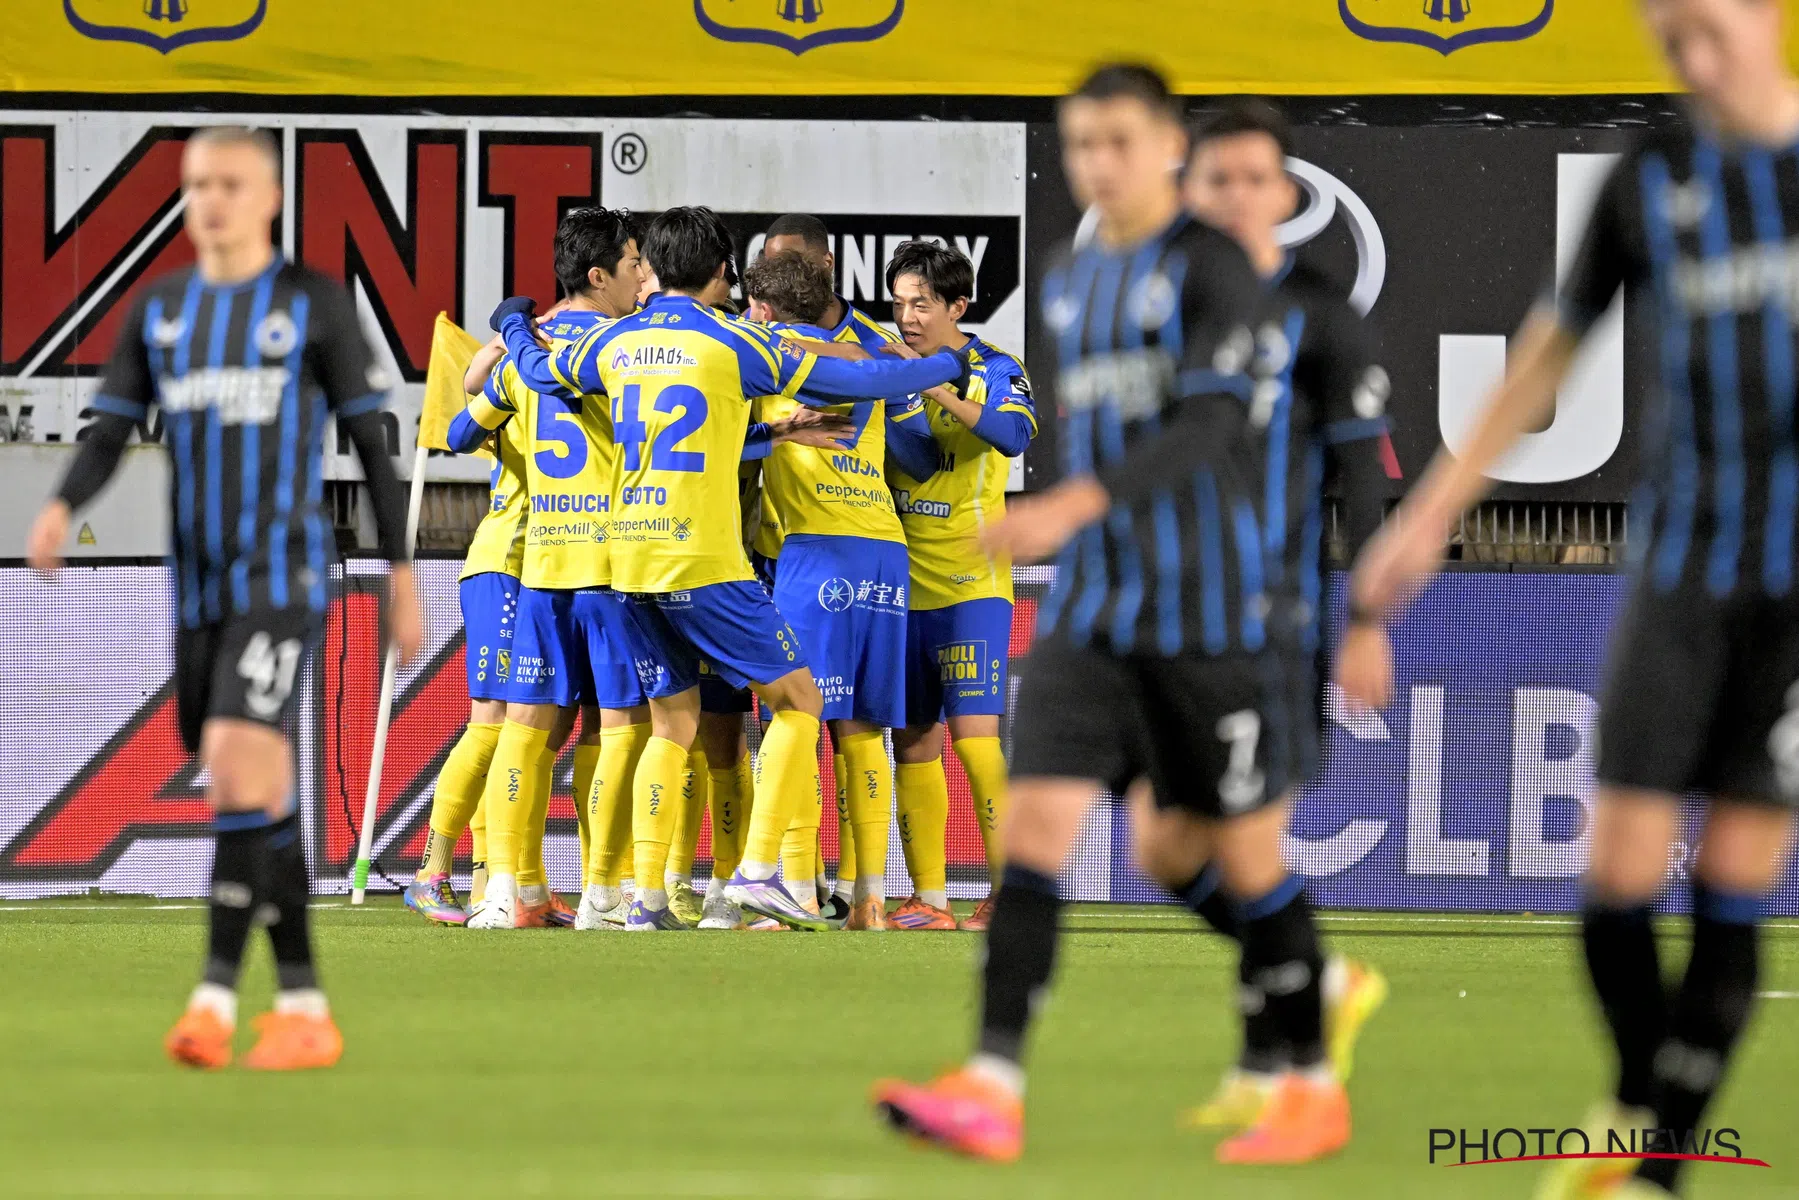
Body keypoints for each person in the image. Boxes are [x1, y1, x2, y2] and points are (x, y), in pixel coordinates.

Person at [1350, 2, 1799, 1195]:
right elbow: (1545, 357)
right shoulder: (1653, 178)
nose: (1687, 56)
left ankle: (1653, 1164)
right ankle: (1647, 1103)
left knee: (1735, 878)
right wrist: (1432, 512)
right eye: (1667, 38)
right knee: (1612, 879)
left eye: (1705, 29)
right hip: (1675, 573)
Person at [871, 63, 1350, 1165]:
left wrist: (1073, 505)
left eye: (1118, 142)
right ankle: (991, 1083)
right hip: (1093, 612)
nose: (1098, 164)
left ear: (1166, 143)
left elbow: (1211, 427)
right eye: (1081, 145)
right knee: (1032, 839)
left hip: (1208, 618)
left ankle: (1311, 1071)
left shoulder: (1212, 269)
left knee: (1224, 860)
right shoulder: (1073, 274)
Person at [25, 125, 422, 1069]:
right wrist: (59, 507)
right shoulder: (159, 311)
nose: (211, 199)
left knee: (241, 768)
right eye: (197, 183)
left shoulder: (312, 304)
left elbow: (373, 443)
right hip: (196, 585)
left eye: (230, 183)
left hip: (281, 575)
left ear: (270, 196)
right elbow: (110, 432)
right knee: (256, 792)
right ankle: (303, 1008)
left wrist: (400, 571)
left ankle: (209, 1000)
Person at [492, 205, 974, 930]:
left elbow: (533, 368)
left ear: (653, 268)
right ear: (722, 272)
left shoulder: (614, 340)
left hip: (624, 559)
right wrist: (947, 363)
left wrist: (508, 319)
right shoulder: (735, 341)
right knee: (800, 702)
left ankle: (637, 900)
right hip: (703, 561)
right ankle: (757, 872)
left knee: (670, 723)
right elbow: (863, 383)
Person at [1121, 97, 1391, 1131]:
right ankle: (1309, 989)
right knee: (1159, 847)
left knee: (1244, 846)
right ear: (1189, 190)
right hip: (1168, 614)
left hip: (1268, 617)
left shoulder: (1318, 314)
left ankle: (1292, 1075)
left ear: (1285, 195)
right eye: (1214, 179)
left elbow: (1360, 475)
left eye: (1252, 179)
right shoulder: (1162, 303)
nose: (1234, 196)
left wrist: (1363, 616)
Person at [456, 208, 655, 932]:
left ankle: (510, 889)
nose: (643, 276)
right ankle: (605, 894)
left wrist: (502, 346)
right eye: (634, 263)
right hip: (610, 567)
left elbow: (458, 431)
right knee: (620, 729)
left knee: (525, 731)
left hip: (540, 566)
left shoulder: (525, 350)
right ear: (599, 273)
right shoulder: (629, 347)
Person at [742, 249, 914, 931]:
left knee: (796, 712)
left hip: (814, 550)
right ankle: (868, 897)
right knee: (863, 727)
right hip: (885, 549)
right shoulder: (869, 352)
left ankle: (790, 888)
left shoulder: (765, 355)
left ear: (764, 309)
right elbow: (895, 364)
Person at [880, 239, 1038, 932]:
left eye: (921, 303)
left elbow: (1011, 436)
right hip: (900, 588)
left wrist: (932, 386)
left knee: (976, 737)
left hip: (971, 583)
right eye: (899, 303)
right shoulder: (883, 371)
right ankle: (929, 898)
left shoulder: (996, 368)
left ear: (957, 306)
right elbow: (910, 461)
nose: (907, 316)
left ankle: (1012, 895)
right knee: (911, 741)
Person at [402, 319, 535, 926]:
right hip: (505, 562)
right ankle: (431, 871)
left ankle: (491, 878)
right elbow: (467, 409)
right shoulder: (541, 370)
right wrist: (491, 356)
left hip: (546, 568)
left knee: (522, 727)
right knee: (494, 721)